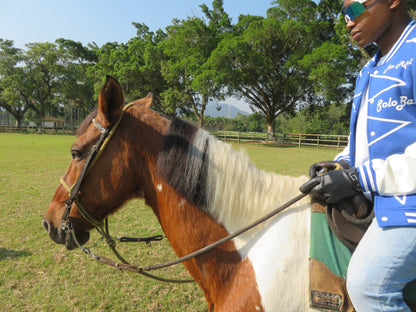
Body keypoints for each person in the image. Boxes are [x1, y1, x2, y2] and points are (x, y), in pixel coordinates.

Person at [299, 0, 416, 311]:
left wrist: (357, 177)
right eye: (343, 14)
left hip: (410, 205)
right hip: (384, 199)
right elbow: (361, 141)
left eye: (355, 10)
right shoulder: (369, 69)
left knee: (369, 286)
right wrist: (342, 164)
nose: (348, 22)